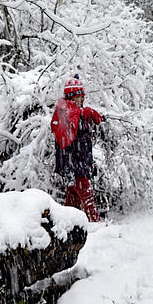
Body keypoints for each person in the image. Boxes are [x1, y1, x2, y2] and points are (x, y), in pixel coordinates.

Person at [50, 74, 104, 222]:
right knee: (87, 196)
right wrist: (83, 114)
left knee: (72, 200)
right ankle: (95, 225)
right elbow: (68, 135)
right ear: (71, 97)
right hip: (74, 165)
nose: (82, 99)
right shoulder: (65, 111)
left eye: (83, 96)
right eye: (79, 96)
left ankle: (67, 226)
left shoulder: (74, 111)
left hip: (78, 163)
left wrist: (91, 116)